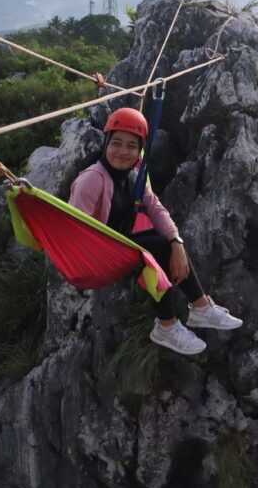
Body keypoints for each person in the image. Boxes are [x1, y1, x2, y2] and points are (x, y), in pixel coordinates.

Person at [69, 107, 242, 354]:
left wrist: (177, 242)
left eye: (131, 146)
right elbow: (75, 227)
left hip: (117, 244)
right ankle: (170, 323)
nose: (122, 151)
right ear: (106, 143)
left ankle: (198, 309)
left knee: (165, 244)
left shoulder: (135, 177)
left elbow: (157, 210)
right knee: (156, 249)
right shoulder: (93, 178)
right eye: (116, 143)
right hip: (96, 254)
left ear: (139, 150)